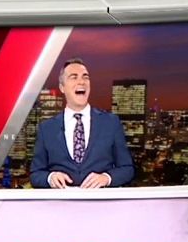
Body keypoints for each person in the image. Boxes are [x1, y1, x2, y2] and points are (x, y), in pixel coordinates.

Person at [30, 59, 134, 188]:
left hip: (99, 199)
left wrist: (106, 178)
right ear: (62, 87)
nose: (81, 82)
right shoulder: (47, 128)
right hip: (62, 200)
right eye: (74, 77)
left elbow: (127, 168)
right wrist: (50, 177)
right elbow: (35, 174)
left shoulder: (111, 123)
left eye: (85, 77)